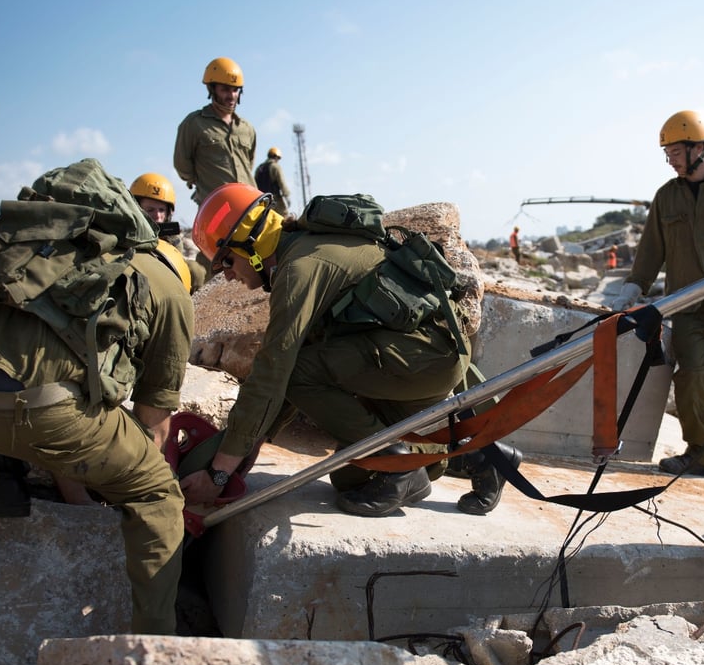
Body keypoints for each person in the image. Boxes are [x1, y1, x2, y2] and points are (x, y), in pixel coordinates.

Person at [0, 160, 194, 635]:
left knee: (10, 364)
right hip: (30, 414)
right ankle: (153, 650)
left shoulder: (27, 241)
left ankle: (3, 479)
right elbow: (153, 422)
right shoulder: (167, 290)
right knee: (157, 492)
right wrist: (101, 491)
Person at [180, 184, 519, 517]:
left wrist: (219, 473)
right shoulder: (308, 246)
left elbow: (275, 371)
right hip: (426, 358)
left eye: (226, 261)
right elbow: (300, 356)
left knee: (301, 377)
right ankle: (486, 457)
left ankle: (397, 462)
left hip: (422, 361)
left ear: (250, 245)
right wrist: (254, 439)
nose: (226, 276)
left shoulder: (300, 268)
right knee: (350, 476)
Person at [613, 110, 704, 486]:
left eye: (676, 151)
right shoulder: (666, 197)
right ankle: (698, 452)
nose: (671, 160)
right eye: (668, 153)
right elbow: (650, 252)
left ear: (699, 149)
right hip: (687, 305)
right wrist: (633, 287)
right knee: (690, 377)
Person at [173, 57, 257, 206]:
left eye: (235, 90)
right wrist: (203, 181)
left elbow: (249, 164)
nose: (231, 95)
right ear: (212, 89)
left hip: (249, 205)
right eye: (225, 89)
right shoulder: (194, 124)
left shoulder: (247, 128)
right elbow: (182, 164)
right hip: (216, 208)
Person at [130, 172, 210, 291]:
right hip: (138, 277)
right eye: (150, 210)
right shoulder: (128, 231)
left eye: (161, 210)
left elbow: (177, 264)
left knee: (195, 270)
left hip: (166, 279)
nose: (157, 216)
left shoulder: (171, 235)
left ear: (168, 213)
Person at [254, 147, 292, 216]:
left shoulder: (259, 168)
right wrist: (287, 196)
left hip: (262, 200)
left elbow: (254, 184)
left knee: (266, 219)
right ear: (276, 157)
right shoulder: (275, 166)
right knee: (284, 218)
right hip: (275, 199)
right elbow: (282, 183)